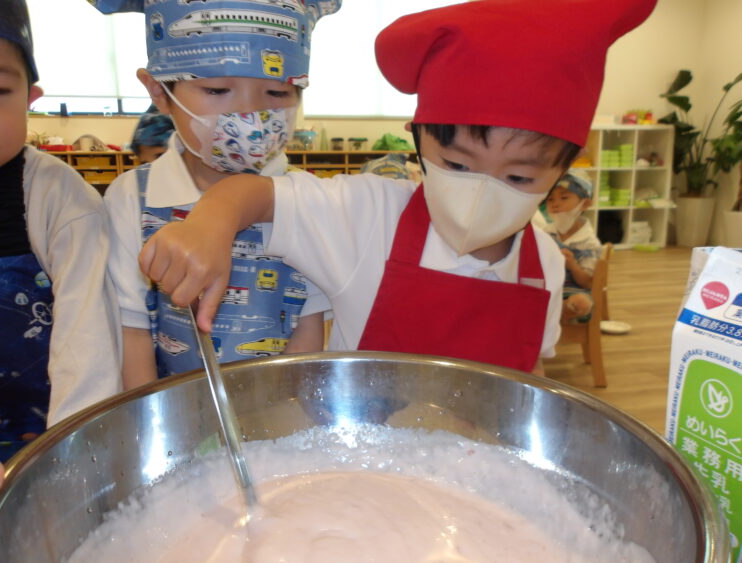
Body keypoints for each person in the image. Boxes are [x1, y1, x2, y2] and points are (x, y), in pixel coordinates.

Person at [138, 0, 656, 376]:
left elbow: (530, 376)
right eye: (456, 163)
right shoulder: (368, 214)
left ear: (562, 170)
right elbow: (253, 194)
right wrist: (209, 224)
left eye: (519, 178)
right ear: (418, 139)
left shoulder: (545, 265)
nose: (480, 194)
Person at [89, 0, 340, 387]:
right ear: (159, 92)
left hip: (277, 410)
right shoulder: (133, 197)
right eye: (218, 89)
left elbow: (309, 332)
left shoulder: (305, 200)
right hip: (172, 409)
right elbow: (133, 331)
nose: (250, 116)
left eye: (277, 93)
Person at [0, 1, 121, 461]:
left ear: (30, 97)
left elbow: (88, 352)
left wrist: (68, 463)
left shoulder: (61, 200)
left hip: (48, 445)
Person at [544, 173, 602, 322]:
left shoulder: (588, 242)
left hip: (574, 291)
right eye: (550, 199)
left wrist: (572, 265)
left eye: (564, 198)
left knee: (581, 303)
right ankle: (553, 312)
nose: (555, 204)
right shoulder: (545, 233)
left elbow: (588, 283)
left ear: (585, 203)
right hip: (547, 289)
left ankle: (560, 311)